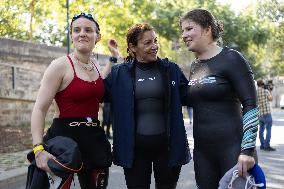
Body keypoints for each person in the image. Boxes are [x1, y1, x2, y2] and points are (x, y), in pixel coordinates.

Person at [30, 12, 118, 189]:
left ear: (97, 36)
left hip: (94, 141)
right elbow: (39, 109)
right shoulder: (60, 65)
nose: (82, 33)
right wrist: (38, 149)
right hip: (64, 143)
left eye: (88, 30)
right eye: (76, 30)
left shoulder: (95, 66)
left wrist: (113, 56)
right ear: (71, 36)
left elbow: (100, 83)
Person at [104, 23, 190, 189]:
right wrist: (113, 57)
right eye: (147, 43)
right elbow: (98, 91)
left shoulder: (170, 69)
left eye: (155, 41)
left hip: (167, 149)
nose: (154, 46)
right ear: (133, 47)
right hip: (134, 151)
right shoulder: (120, 73)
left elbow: (191, 96)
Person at [180, 9, 259, 189]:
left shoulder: (232, 58)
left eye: (189, 29)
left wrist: (247, 150)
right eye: (183, 31)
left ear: (207, 29)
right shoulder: (195, 66)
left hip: (233, 150)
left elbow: (250, 105)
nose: (184, 35)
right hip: (203, 153)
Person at [257, 79, 275, 151]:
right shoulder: (265, 91)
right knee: (268, 129)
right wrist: (270, 91)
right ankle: (267, 146)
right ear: (262, 84)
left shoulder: (255, 92)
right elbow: (270, 99)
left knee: (261, 130)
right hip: (267, 113)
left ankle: (262, 145)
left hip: (260, 114)